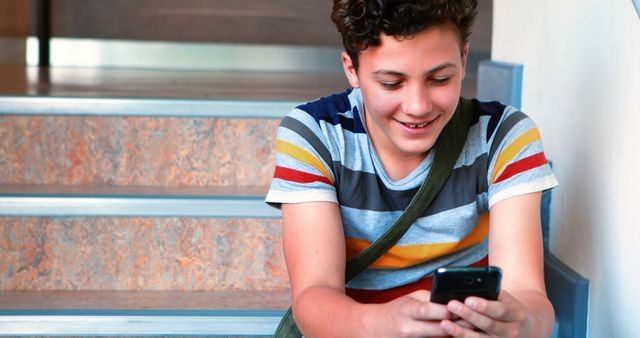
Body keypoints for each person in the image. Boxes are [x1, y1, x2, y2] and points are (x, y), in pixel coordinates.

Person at [266, 0, 558, 336]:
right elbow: (313, 298)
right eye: (391, 83)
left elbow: (530, 298)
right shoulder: (314, 134)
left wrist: (524, 323)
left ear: (464, 60)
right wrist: (382, 323)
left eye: (440, 79)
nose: (418, 106)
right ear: (352, 69)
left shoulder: (504, 137)